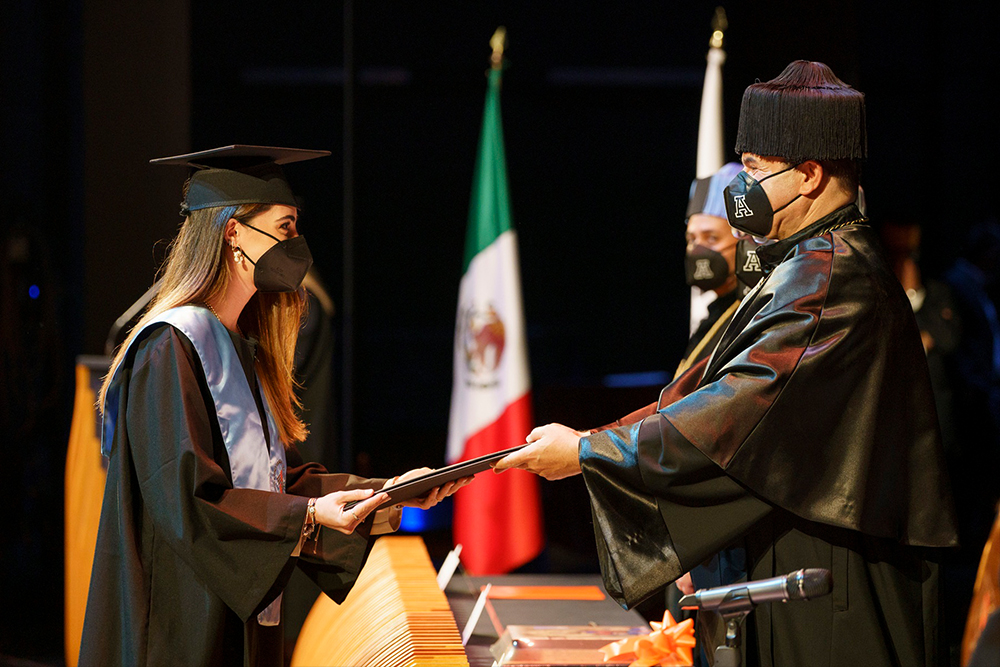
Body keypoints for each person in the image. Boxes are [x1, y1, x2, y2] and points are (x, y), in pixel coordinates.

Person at [496, 61, 958, 666]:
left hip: (829, 584)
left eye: (756, 170)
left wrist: (588, 453)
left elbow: (740, 410)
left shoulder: (831, 276)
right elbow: (699, 397)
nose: (740, 189)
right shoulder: (807, 264)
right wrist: (594, 443)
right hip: (799, 564)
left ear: (810, 175)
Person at [80, 145, 469, 667]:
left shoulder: (237, 343)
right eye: (285, 227)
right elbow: (189, 500)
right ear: (233, 232)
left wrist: (383, 496)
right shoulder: (168, 348)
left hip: (231, 609)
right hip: (179, 621)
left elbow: (264, 485)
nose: (296, 245)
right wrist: (307, 517)